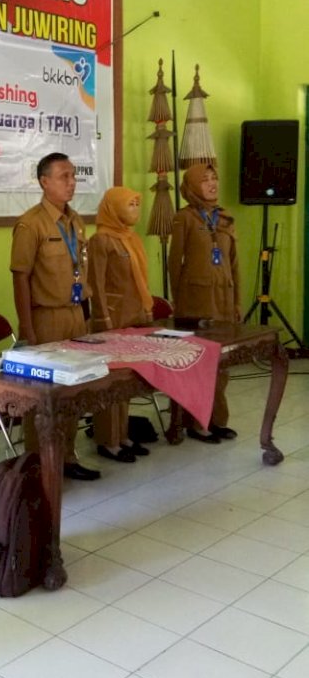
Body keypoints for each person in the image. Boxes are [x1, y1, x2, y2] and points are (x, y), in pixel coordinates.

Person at [10, 153, 100, 480]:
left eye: (74, 176)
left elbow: (82, 271)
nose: (71, 182)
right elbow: (20, 277)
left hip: (75, 315)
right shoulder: (30, 224)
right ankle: (38, 464)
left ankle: (67, 458)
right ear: (44, 182)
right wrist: (26, 328)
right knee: (43, 397)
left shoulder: (76, 221)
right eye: (64, 176)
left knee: (71, 393)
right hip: (45, 319)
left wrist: (88, 319)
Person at [169, 163, 240, 442]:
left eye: (215, 178)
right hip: (195, 303)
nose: (212, 184)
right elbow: (175, 264)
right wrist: (180, 302)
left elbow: (234, 264)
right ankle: (197, 424)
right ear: (192, 186)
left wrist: (236, 300)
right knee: (200, 366)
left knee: (222, 365)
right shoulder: (184, 218)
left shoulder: (225, 218)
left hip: (223, 299)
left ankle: (217, 420)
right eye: (205, 180)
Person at [88, 186, 154, 462]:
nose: (136, 210)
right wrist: (102, 317)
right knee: (109, 383)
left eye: (138, 204)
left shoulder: (130, 238)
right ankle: (107, 440)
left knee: (125, 382)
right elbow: (97, 284)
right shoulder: (101, 240)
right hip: (112, 319)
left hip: (133, 317)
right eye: (130, 204)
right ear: (114, 208)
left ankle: (123, 435)